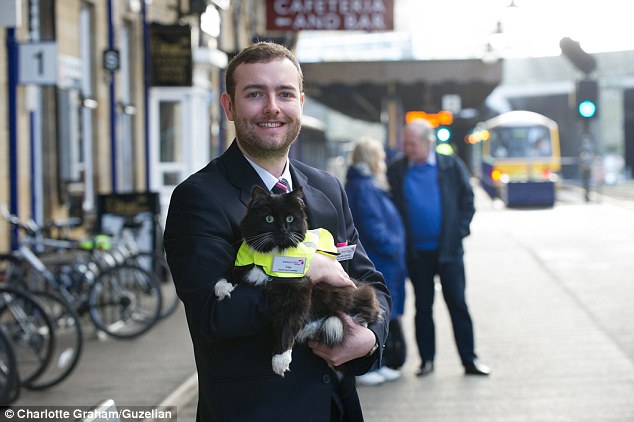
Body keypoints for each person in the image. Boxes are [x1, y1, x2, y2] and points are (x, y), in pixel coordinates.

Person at [163, 41, 391, 422]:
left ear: (300, 102)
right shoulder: (199, 198)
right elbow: (212, 314)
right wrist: (303, 268)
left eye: (284, 94)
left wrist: (370, 340)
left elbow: (370, 281)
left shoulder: (327, 190)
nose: (272, 107)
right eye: (255, 94)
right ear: (229, 106)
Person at [386, 119, 490, 377]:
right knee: (423, 308)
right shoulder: (397, 169)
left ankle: (469, 359)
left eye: (412, 144)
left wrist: (459, 232)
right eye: (405, 143)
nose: (407, 148)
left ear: (427, 142)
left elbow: (468, 199)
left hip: (448, 252)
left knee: (458, 304)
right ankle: (427, 361)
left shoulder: (450, 165)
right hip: (417, 254)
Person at [344, 137, 407, 386]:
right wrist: (393, 246)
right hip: (380, 259)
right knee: (374, 311)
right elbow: (372, 224)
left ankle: (377, 364)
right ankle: (370, 367)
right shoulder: (364, 186)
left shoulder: (363, 184)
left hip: (384, 258)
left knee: (378, 311)